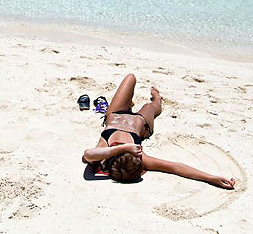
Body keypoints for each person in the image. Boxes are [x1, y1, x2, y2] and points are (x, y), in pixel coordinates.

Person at [83, 74, 235, 187]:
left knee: (131, 78)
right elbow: (176, 167)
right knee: (151, 107)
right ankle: (157, 99)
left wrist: (121, 148)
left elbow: (87, 154)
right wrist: (211, 178)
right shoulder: (142, 158)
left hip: (116, 114)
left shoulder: (103, 152)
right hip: (141, 123)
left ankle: (129, 103)